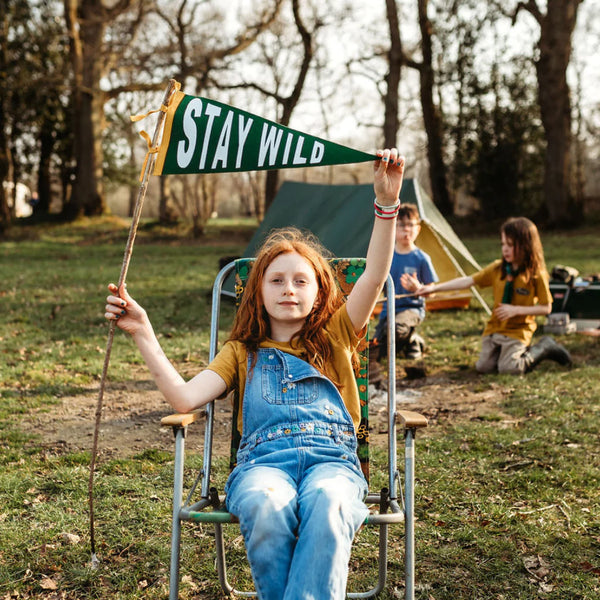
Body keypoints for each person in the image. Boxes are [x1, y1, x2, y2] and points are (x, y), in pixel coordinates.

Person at [104, 148, 406, 599]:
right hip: (262, 466)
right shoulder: (240, 352)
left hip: (333, 463)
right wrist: (144, 332)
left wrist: (386, 204)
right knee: (266, 506)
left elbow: (376, 274)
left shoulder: (339, 332)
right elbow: (185, 399)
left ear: (321, 291)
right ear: (256, 292)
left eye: (301, 281)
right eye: (276, 280)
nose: (289, 289)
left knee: (328, 504)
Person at [408, 216, 571, 375]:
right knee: (484, 368)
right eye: (503, 244)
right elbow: (468, 281)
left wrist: (516, 310)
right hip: (495, 329)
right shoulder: (498, 269)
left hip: (518, 331)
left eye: (511, 245)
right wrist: (433, 289)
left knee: (511, 369)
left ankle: (545, 346)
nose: (505, 249)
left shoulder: (536, 275)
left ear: (526, 246)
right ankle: (504, 354)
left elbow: (546, 307)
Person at [372, 204, 438, 362]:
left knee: (395, 330)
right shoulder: (386, 256)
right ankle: (408, 343)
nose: (406, 230)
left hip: (411, 310)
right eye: (401, 225)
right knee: (377, 348)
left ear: (418, 229)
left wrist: (419, 288)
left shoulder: (421, 258)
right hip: (388, 310)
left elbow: (432, 290)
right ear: (393, 228)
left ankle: (413, 340)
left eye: (410, 225)